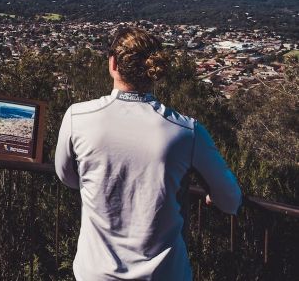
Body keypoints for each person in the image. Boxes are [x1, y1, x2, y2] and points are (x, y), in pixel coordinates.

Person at [54, 26, 241, 281]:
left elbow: (66, 176)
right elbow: (231, 201)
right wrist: (213, 195)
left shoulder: (78, 117)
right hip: (164, 274)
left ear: (113, 64)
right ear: (154, 71)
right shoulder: (186, 131)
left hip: (95, 273)